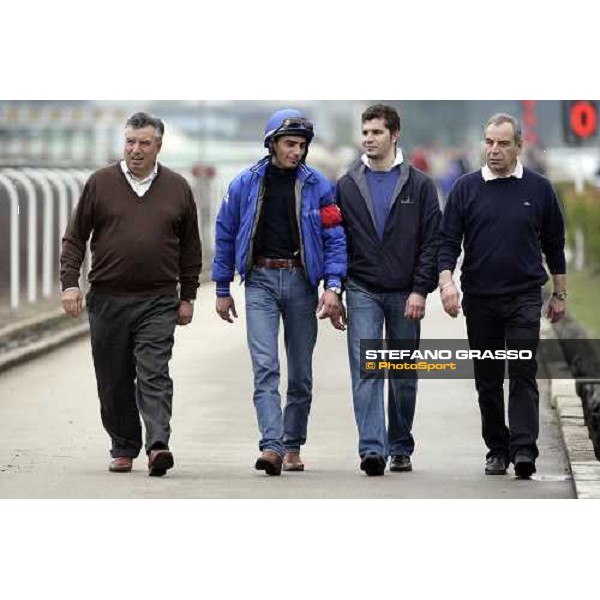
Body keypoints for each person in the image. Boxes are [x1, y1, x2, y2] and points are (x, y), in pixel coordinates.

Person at [60, 112, 202, 476]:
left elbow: (190, 248)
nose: (135, 150)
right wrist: (70, 283)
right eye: (130, 142)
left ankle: (158, 445)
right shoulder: (100, 183)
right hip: (108, 298)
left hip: (157, 298)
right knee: (114, 378)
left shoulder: (177, 187)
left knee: (154, 372)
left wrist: (188, 296)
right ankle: (124, 445)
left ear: (158, 146)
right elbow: (76, 237)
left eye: (143, 143)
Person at [212, 108, 346, 476]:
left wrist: (333, 286)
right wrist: (222, 287)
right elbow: (225, 234)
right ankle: (270, 446)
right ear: (272, 144)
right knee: (266, 368)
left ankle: (292, 445)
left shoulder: (319, 186)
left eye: (302, 145)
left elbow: (335, 239)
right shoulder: (244, 184)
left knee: (300, 373)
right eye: (290, 144)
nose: (296, 152)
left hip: (303, 284)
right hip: (260, 283)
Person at [438, 112, 567, 479]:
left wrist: (559, 293)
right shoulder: (465, 187)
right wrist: (447, 283)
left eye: (503, 143)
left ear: (518, 147)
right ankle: (497, 448)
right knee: (488, 378)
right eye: (489, 142)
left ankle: (524, 449)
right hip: (480, 299)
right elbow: (447, 242)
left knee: (523, 369)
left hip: (525, 295)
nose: (494, 150)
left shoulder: (539, 189)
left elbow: (554, 244)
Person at [334, 104, 441, 476]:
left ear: (394, 135)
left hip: (405, 292)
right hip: (362, 288)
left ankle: (399, 445)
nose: (369, 139)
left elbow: (433, 242)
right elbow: (338, 239)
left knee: (402, 375)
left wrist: (420, 289)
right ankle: (372, 449)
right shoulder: (347, 184)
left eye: (376, 132)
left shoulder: (420, 185)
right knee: (367, 370)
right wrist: (335, 287)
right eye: (365, 132)